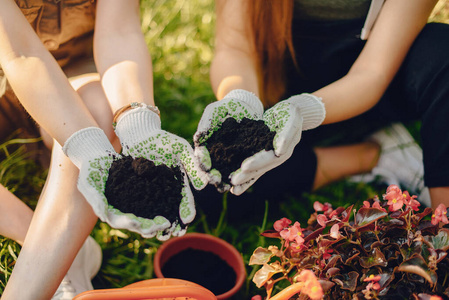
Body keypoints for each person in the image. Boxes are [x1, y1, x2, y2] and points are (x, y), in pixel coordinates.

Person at [0, 0, 206, 299]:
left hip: (71, 69)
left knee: (98, 113)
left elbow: (119, 31)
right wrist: (85, 146)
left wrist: (138, 124)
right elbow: (21, 55)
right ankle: (56, 246)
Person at [193, 0, 448, 220]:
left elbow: (373, 72)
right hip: (277, 94)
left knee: (443, 51)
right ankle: (370, 155)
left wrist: (303, 111)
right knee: (200, 186)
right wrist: (241, 100)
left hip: (372, 86)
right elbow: (235, 48)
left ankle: (440, 234)